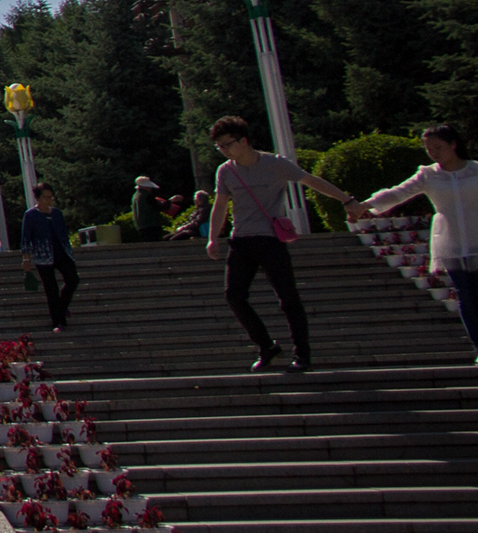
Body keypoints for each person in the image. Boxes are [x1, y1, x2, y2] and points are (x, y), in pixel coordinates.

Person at [205, 114, 352, 372]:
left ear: (244, 141)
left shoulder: (275, 164)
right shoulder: (225, 171)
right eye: (220, 147)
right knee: (234, 296)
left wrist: (347, 200)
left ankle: (302, 354)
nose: (224, 151)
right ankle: (266, 346)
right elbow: (220, 205)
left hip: (270, 239)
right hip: (241, 239)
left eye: (227, 145)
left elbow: (311, 181)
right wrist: (212, 238)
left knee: (288, 297)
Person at [357, 122, 478, 362]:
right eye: (429, 148)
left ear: (454, 145)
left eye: (438, 147)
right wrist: (364, 205)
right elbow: (398, 192)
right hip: (451, 243)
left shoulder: (475, 170)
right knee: (466, 297)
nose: (433, 152)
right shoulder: (428, 174)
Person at [21, 184, 80, 329]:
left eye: (51, 197)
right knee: (51, 289)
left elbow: (63, 233)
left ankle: (61, 306)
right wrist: (26, 258)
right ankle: (59, 322)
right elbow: (25, 238)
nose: (49, 200)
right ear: (39, 198)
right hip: (42, 256)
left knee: (73, 279)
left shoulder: (57, 214)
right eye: (46, 197)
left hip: (62, 252)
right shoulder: (31, 215)